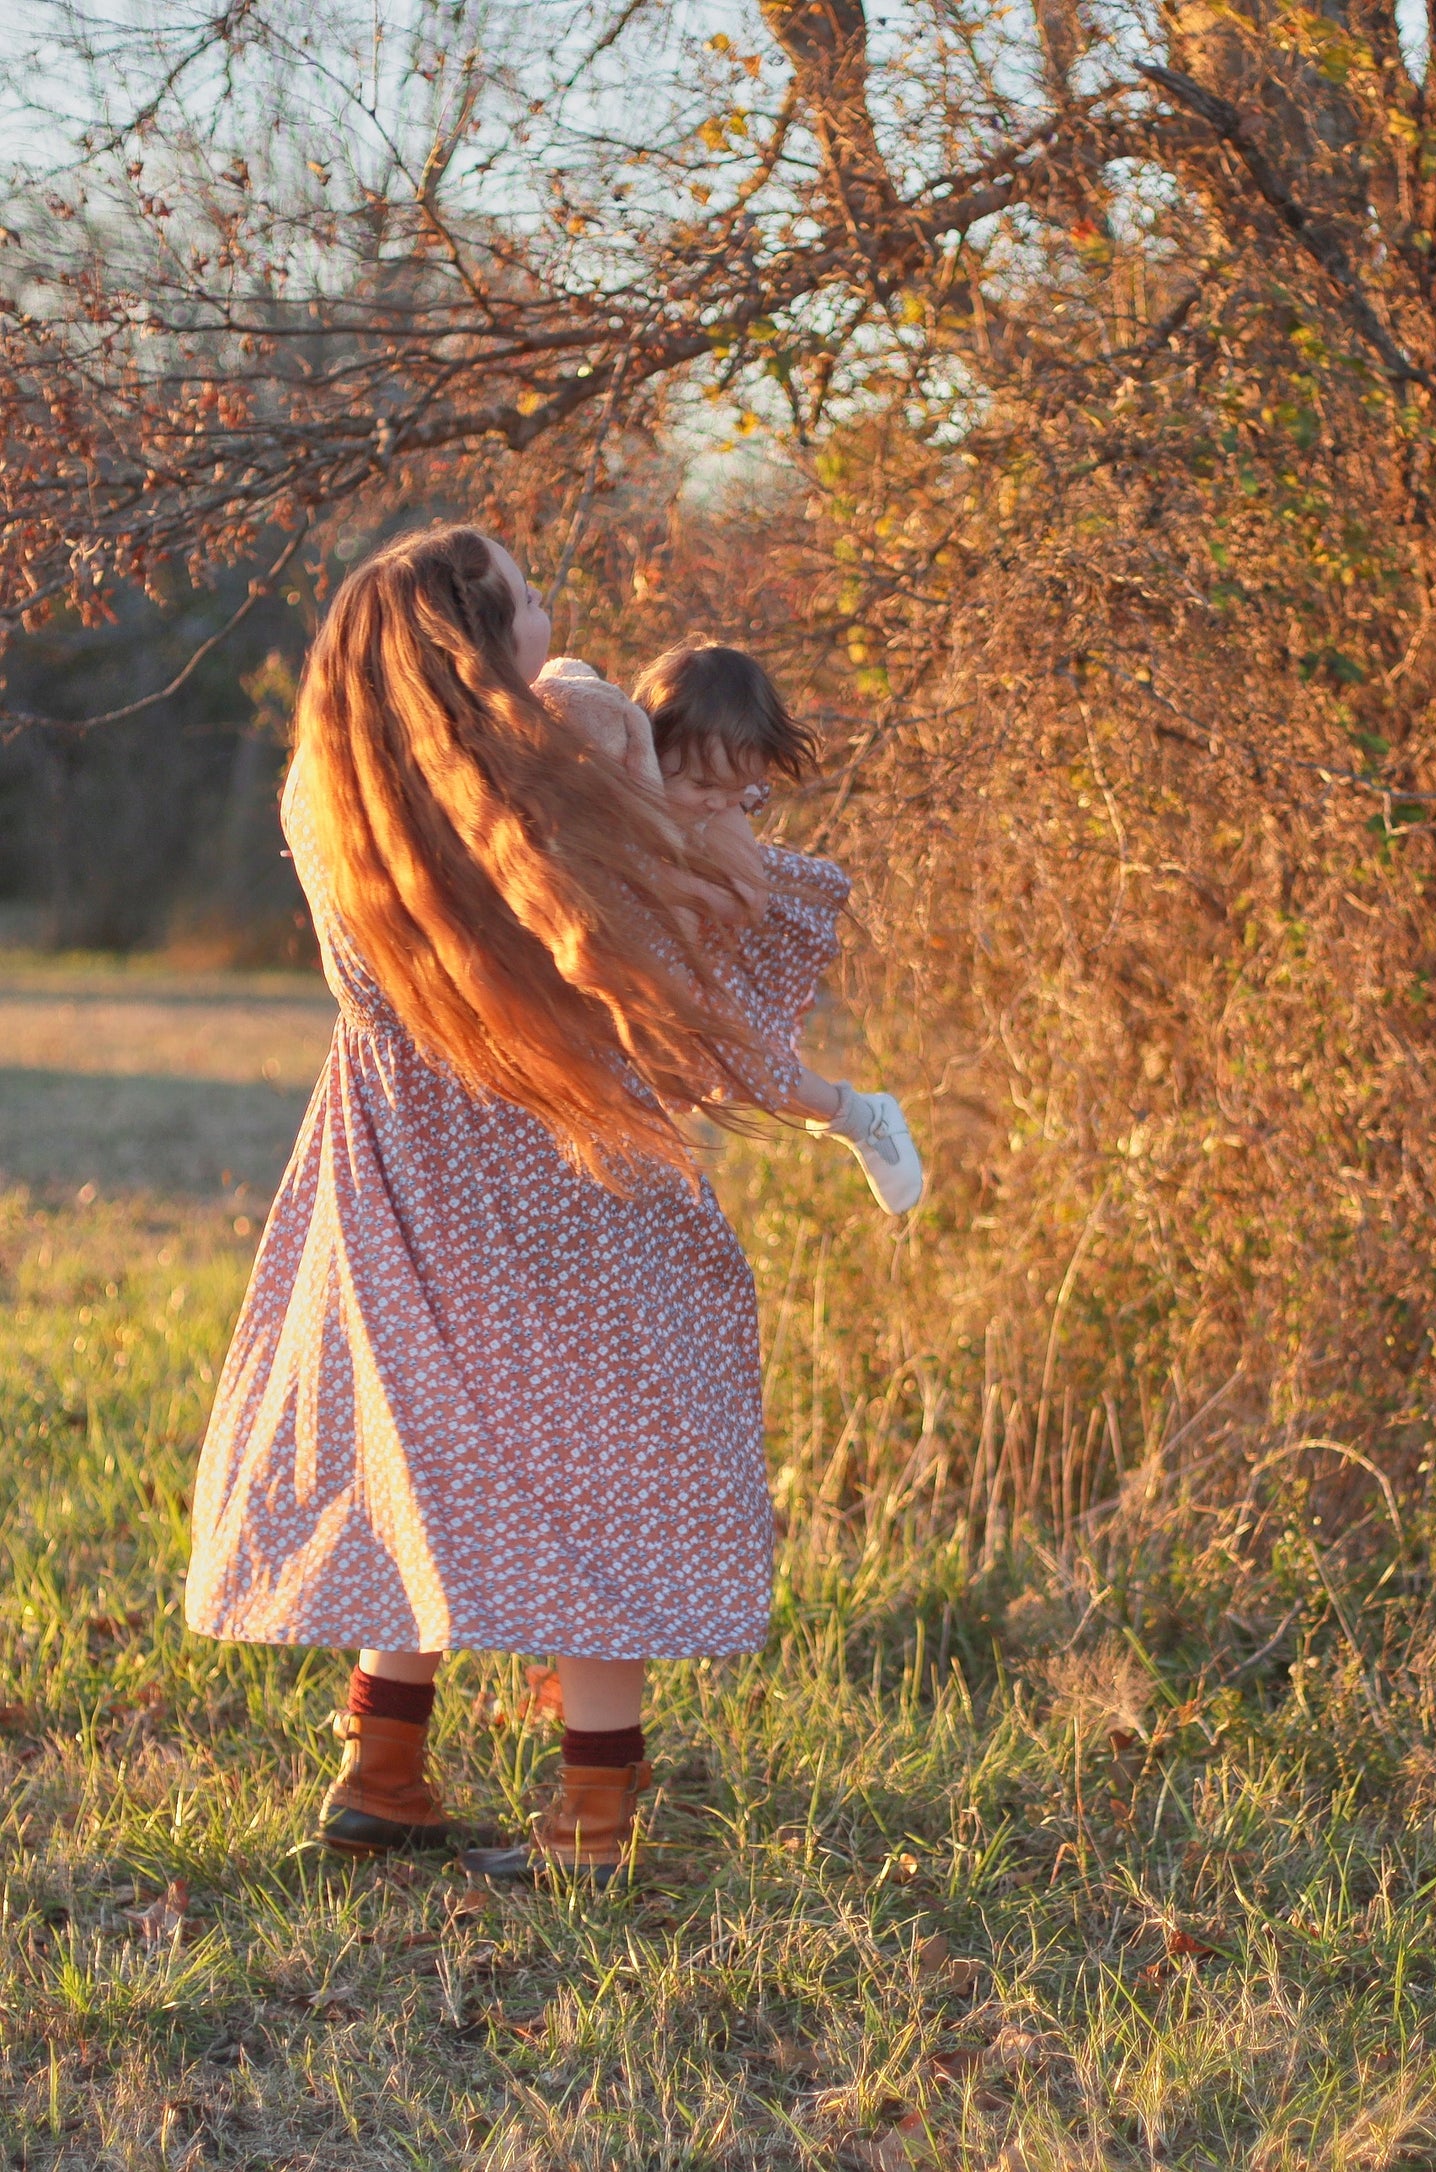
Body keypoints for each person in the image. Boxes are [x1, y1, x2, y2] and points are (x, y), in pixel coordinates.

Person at [183, 526, 856, 1883]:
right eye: (532, 596)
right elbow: (673, 887)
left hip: (387, 1157)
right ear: (473, 643)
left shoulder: (328, 787)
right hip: (553, 1163)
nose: (558, 611)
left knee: (414, 1455)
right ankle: (592, 1821)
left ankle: (383, 1774)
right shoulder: (546, 758)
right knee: (613, 1461)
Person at [537, 645, 924, 1216]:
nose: (717, 802)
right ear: (650, 744)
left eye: (736, 789)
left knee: (742, 1059)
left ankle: (861, 1118)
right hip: (632, 969)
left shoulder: (719, 811)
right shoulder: (613, 776)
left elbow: (746, 900)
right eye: (702, 785)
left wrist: (680, 887)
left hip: (703, 963)